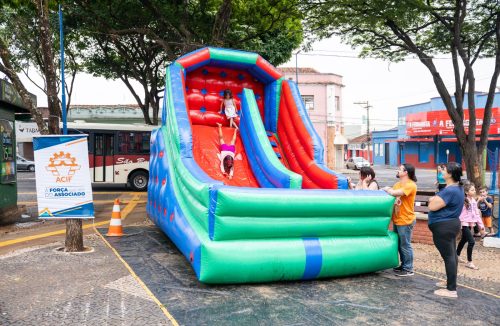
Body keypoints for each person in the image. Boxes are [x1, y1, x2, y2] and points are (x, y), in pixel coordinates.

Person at [427, 162, 465, 298]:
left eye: (444, 170)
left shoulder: (450, 190)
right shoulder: (456, 188)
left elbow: (432, 206)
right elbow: (439, 201)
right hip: (450, 225)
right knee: (452, 255)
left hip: (444, 226)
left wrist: (432, 200)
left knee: (449, 256)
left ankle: (451, 290)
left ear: (450, 174)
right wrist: (435, 199)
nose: (442, 171)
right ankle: (450, 282)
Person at [383, 163, 417, 277]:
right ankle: (403, 265)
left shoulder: (411, 185)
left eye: (400, 169)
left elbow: (394, 193)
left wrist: (387, 188)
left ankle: (408, 268)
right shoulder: (397, 184)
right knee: (399, 244)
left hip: (406, 220)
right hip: (397, 219)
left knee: (405, 244)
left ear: (406, 172)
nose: (397, 170)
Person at [456, 183, 485, 270]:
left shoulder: (473, 201)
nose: (474, 191)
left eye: (474, 189)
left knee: (464, 239)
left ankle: (456, 255)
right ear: (466, 192)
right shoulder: (463, 201)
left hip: (470, 223)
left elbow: (476, 214)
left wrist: (481, 226)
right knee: (471, 241)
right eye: (472, 190)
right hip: (463, 223)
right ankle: (469, 262)